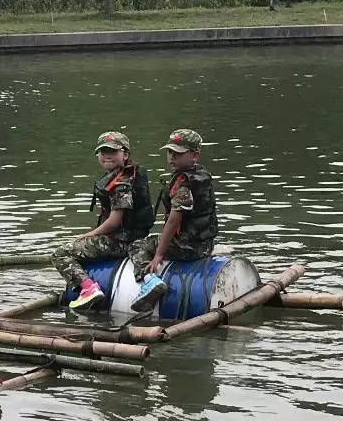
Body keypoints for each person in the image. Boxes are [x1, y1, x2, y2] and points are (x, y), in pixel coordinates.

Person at [51, 131, 154, 313]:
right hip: (132, 238)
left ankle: (88, 289)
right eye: (103, 151)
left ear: (125, 154)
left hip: (122, 242)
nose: (107, 155)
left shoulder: (121, 182)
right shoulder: (127, 175)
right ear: (97, 155)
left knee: (60, 254)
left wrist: (89, 235)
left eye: (113, 151)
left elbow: (115, 221)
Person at [129, 128, 219, 312]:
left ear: (194, 155)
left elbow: (174, 221)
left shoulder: (183, 183)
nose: (172, 157)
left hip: (189, 248)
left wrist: (158, 256)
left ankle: (149, 281)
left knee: (137, 245)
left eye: (178, 153)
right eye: (170, 152)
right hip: (205, 245)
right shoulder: (201, 175)